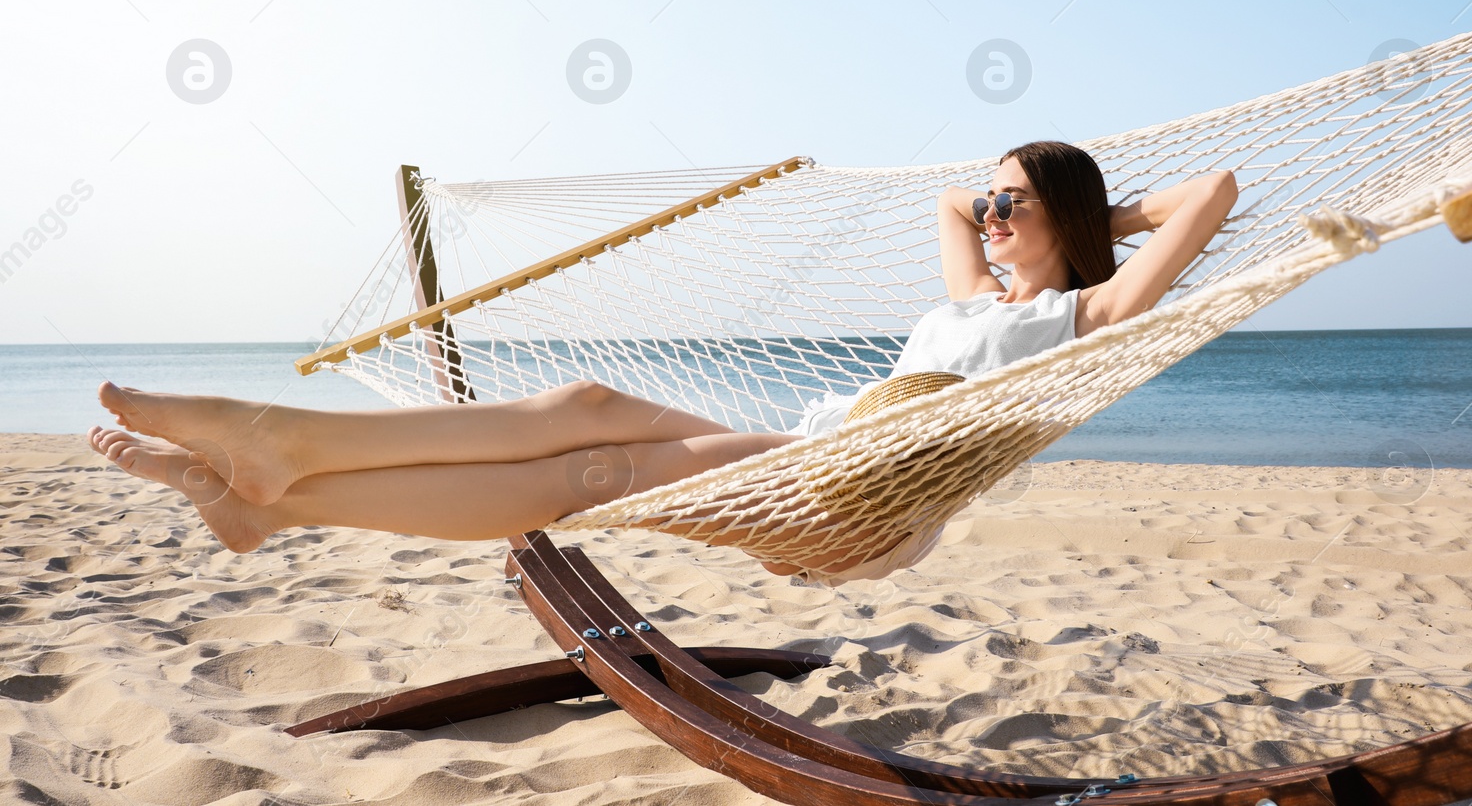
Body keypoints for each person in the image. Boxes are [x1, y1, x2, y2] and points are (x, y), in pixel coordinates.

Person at [87, 141, 1236, 581]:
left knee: (587, 477)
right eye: (990, 200)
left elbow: (1212, 194)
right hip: (829, 451)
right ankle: (277, 487)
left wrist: (1103, 214)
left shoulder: (1086, 315)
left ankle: (285, 484)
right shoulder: (976, 296)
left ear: (1063, 215)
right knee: (582, 406)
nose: (984, 213)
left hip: (866, 496)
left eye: (1010, 202)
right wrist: (1007, 196)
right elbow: (944, 194)